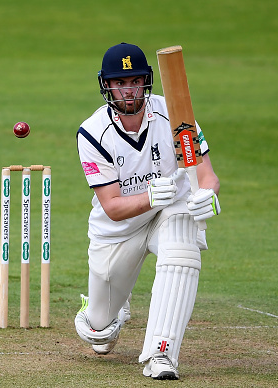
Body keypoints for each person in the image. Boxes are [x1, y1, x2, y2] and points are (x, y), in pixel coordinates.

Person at [74, 42, 220, 380]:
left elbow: (206, 176)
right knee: (99, 334)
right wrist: (151, 195)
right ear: (107, 86)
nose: (128, 90)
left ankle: (161, 353)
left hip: (169, 213)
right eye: (120, 83)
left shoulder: (176, 114)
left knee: (183, 238)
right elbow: (111, 207)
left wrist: (207, 197)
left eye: (135, 81)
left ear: (146, 82)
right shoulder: (93, 133)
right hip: (118, 232)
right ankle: (112, 309)